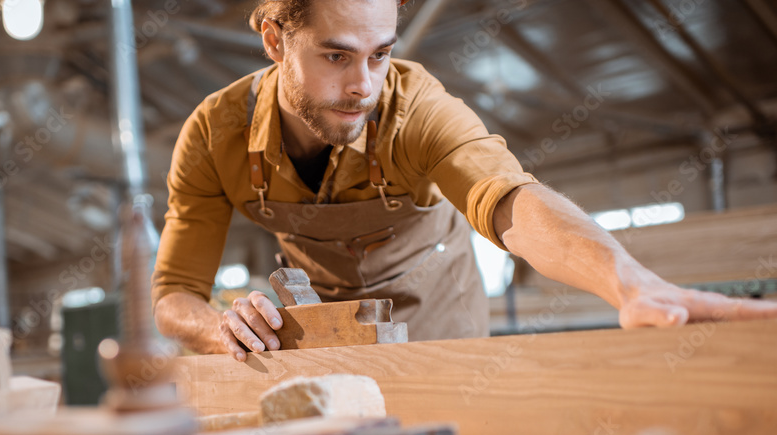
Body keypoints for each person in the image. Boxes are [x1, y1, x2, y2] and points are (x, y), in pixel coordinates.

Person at [151, 0, 777, 361]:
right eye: (336, 56)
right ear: (274, 40)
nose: (362, 87)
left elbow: (510, 200)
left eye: (380, 54)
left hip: (439, 316)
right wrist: (219, 326)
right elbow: (175, 291)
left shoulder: (416, 109)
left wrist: (630, 285)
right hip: (323, 331)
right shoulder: (214, 136)